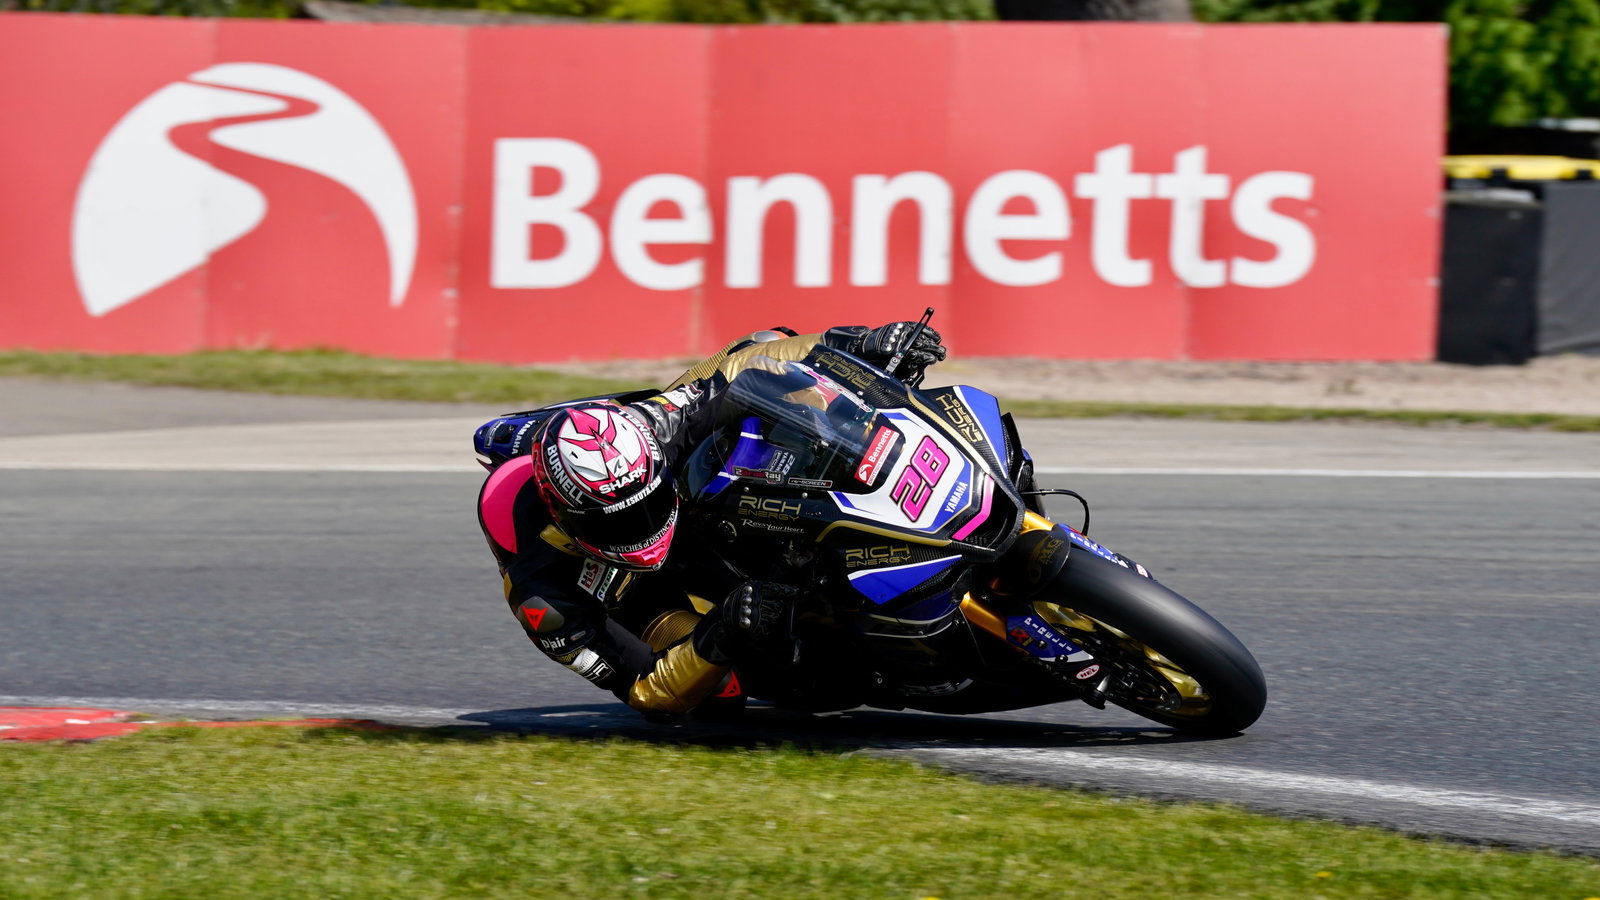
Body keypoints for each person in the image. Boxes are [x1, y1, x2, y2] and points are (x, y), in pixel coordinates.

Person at [474, 323, 947, 719]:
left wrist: (854, 345)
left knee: (778, 371)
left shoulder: (654, 425)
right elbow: (645, 692)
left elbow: (746, 362)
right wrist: (721, 631)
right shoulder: (542, 593)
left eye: (646, 502)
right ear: (565, 515)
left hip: (697, 508)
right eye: (619, 523)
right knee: (722, 696)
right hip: (646, 599)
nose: (643, 525)